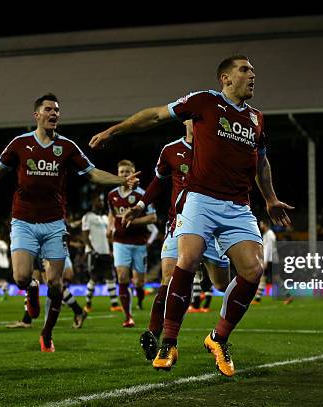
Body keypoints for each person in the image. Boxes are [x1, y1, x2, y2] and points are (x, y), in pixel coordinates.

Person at [91, 55, 293, 376]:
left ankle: (218, 337)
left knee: (253, 270)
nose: (253, 75)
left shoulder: (257, 119)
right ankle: (169, 341)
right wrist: (115, 131)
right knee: (186, 260)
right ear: (225, 79)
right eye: (245, 70)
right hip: (200, 198)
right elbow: (156, 115)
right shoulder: (205, 101)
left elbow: (261, 162)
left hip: (238, 205)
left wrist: (270, 198)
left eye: (253, 70)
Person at [0, 93, 139, 352]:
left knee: (57, 284)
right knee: (21, 277)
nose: (54, 113)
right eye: (49, 109)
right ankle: (31, 291)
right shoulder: (19, 144)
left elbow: (93, 174)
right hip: (24, 220)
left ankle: (47, 334)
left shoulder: (67, 147)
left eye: (57, 110)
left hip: (54, 224)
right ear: (36, 114)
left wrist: (122, 181)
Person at [122, 119, 231, 361]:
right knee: (168, 278)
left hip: (212, 228)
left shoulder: (217, 147)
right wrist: (140, 206)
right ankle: (154, 334)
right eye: (195, 118)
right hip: (178, 223)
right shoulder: (171, 150)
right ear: (186, 121)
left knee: (221, 285)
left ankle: (203, 273)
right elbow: (158, 182)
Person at [107, 160, 157, 327]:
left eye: (128, 171)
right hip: (120, 242)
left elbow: (153, 217)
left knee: (139, 282)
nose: (124, 174)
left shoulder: (142, 195)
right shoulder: (111, 195)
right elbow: (112, 214)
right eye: (121, 172)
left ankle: (140, 299)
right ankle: (128, 317)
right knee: (122, 276)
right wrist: (109, 228)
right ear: (117, 174)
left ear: (133, 173)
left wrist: (131, 220)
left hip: (139, 243)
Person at [81, 195, 120, 313]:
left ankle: (114, 304)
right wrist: (91, 249)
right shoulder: (88, 217)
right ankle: (88, 304)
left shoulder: (104, 218)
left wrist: (111, 249)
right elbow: (85, 235)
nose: (101, 202)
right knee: (93, 278)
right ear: (93, 202)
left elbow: (108, 236)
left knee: (110, 277)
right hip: (93, 253)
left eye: (102, 201)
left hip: (105, 253)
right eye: (99, 200)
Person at [253, 218, 279, 303]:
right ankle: (258, 298)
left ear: (265, 224)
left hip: (271, 260)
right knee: (263, 277)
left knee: (274, 278)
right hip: (270, 259)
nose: (260, 226)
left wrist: (265, 261)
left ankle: (287, 296)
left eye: (261, 224)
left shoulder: (269, 234)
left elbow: (268, 249)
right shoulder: (266, 234)